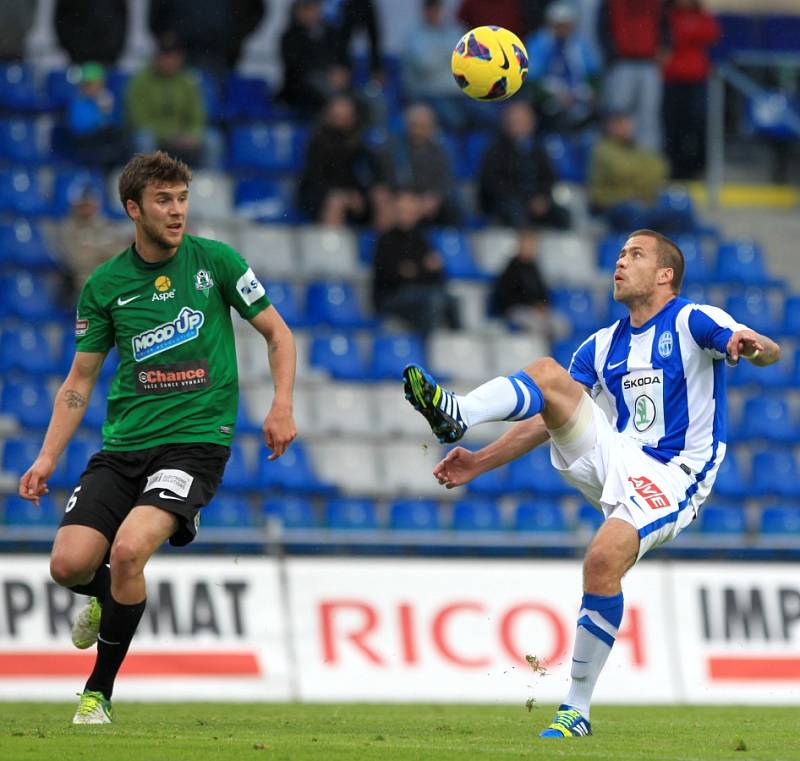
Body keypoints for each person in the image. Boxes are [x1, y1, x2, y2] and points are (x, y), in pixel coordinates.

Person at [401, 229, 780, 736]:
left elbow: (769, 350)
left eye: (635, 255)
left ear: (665, 275)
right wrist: (479, 463)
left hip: (674, 473)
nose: (620, 263)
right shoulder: (603, 345)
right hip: (616, 455)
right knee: (548, 375)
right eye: (620, 254)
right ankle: (459, 413)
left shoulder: (693, 319)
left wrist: (751, 345)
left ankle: (575, 708)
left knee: (602, 560)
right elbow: (545, 419)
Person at [18, 151, 297, 724]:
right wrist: (47, 456)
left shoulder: (216, 262)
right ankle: (103, 598)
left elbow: (278, 333)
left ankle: (97, 693)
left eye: (182, 199)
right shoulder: (105, 285)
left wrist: (282, 403)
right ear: (133, 209)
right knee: (68, 565)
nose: (176, 212)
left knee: (127, 552)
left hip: (195, 443)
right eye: (163, 201)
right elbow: (80, 381)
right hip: (123, 448)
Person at [372, 188, 460, 337]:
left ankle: (456, 348)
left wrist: (415, 270)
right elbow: (391, 275)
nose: (406, 213)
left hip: (418, 293)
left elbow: (436, 273)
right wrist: (422, 269)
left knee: (452, 300)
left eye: (409, 209)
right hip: (391, 297)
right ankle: (426, 348)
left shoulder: (421, 239)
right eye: (402, 209)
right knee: (432, 300)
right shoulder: (386, 240)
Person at [126, 35, 223, 168]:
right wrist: (169, 135)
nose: (168, 60)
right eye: (164, 55)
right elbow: (138, 119)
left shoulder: (187, 81)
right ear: (156, 57)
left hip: (184, 136)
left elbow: (197, 115)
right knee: (144, 138)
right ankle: (146, 184)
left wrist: (192, 135)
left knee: (213, 140)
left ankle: (205, 187)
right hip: (156, 136)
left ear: (180, 58)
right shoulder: (141, 81)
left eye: (173, 56)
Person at [588, 112, 691, 233]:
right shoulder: (603, 149)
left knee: (679, 208)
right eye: (621, 123)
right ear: (611, 126)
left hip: (644, 203)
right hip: (613, 205)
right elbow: (621, 171)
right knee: (634, 212)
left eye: (628, 123)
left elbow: (661, 168)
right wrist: (642, 177)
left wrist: (636, 176)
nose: (628, 127)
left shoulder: (637, 148)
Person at [296, 94, 388, 226]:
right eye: (337, 115)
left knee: (382, 196)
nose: (341, 119)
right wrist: (345, 196)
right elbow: (315, 179)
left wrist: (364, 193)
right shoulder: (317, 142)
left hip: (351, 195)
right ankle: (331, 245)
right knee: (336, 202)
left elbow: (374, 173)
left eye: (345, 116)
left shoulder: (358, 143)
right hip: (319, 196)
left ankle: (385, 243)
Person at [479, 101, 571, 229]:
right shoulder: (495, 150)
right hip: (510, 202)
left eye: (522, 121)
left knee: (562, 215)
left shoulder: (539, 150)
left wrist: (542, 198)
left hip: (537, 201)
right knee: (515, 212)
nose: (519, 125)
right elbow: (493, 183)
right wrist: (527, 200)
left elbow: (549, 178)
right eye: (514, 121)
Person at [598, 0, 669, 151]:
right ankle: (614, 155)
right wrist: (611, 55)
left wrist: (664, 46)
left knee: (648, 114)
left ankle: (648, 158)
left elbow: (664, 24)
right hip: (622, 62)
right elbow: (603, 27)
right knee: (618, 112)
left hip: (649, 62)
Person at [662, 0, 719, 179]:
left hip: (696, 78)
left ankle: (697, 166)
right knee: (673, 125)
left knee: (697, 122)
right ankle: (674, 167)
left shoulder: (701, 16)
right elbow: (669, 37)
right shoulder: (667, 16)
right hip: (672, 77)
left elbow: (711, 34)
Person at [524, 2, 602, 133]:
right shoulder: (538, 42)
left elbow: (593, 72)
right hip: (547, 101)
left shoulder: (579, 43)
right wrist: (554, 95)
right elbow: (531, 78)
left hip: (579, 98)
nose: (563, 30)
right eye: (559, 25)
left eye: (566, 25)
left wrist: (592, 93)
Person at [148, 0, 266, 81]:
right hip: (178, 53)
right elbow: (156, 15)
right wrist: (167, 41)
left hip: (220, 55)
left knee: (213, 103)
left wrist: (236, 38)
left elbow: (255, 10)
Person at [385, 103, 460, 226]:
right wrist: (405, 198)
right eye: (414, 124)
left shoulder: (440, 152)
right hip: (400, 198)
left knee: (449, 208)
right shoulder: (393, 148)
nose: (418, 129)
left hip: (427, 200)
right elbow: (388, 176)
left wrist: (433, 197)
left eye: (423, 125)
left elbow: (446, 181)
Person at [489, 228, 565, 339]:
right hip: (517, 309)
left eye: (532, 244)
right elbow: (506, 295)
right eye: (527, 244)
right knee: (536, 326)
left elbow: (543, 291)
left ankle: (557, 353)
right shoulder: (511, 268)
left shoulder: (534, 266)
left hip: (536, 311)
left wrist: (543, 305)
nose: (530, 248)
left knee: (560, 324)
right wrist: (531, 306)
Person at [278, 0, 348, 118]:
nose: (314, 12)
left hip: (335, 84)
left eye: (316, 8)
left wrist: (341, 72)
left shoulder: (330, 33)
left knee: (368, 99)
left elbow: (342, 58)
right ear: (298, 12)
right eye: (308, 9)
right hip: (302, 89)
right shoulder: (290, 36)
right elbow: (296, 66)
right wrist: (327, 75)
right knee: (323, 89)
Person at [58, 184, 130, 300]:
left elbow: (122, 254)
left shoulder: (107, 225)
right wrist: (104, 252)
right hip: (85, 282)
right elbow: (77, 260)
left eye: (90, 203)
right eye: (83, 204)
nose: (87, 207)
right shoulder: (68, 229)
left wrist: (94, 250)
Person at [66, 62, 128, 169]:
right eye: (87, 84)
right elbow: (78, 127)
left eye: (94, 83)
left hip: (106, 140)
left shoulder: (108, 99)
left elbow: (119, 122)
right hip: (86, 142)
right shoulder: (78, 102)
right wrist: (101, 116)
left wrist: (108, 111)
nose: (90, 87)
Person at [55, 0, 128, 66]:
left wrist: (116, 46)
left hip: (108, 57)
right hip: (78, 57)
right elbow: (62, 17)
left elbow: (121, 15)